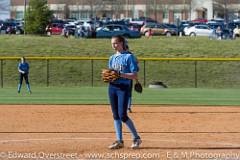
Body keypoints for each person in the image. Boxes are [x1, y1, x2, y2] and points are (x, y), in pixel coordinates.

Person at [107, 35, 141, 149]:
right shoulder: (112, 58)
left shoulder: (129, 57)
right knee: (115, 115)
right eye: (112, 43)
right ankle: (119, 141)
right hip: (112, 87)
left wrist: (120, 74)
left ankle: (136, 138)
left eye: (116, 43)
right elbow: (111, 73)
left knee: (122, 115)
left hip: (123, 87)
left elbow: (134, 75)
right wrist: (108, 76)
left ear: (121, 43)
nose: (114, 45)